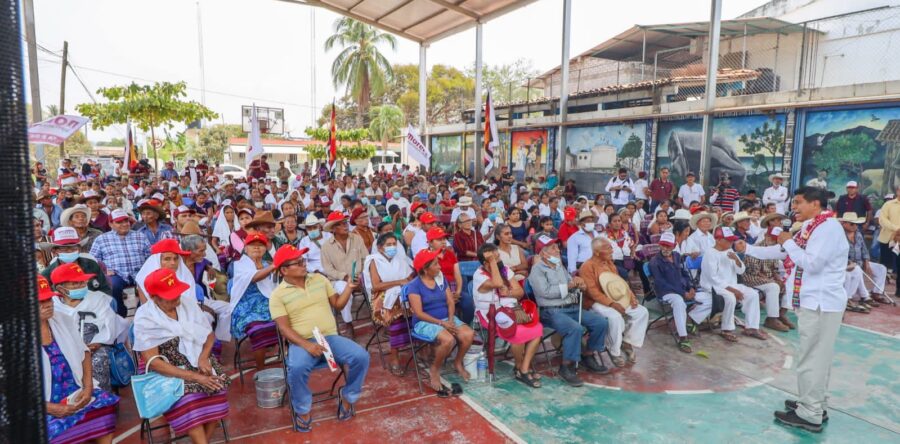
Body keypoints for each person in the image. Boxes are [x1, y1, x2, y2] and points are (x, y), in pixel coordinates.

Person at [735, 186, 848, 431]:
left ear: (815, 204)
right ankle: (814, 403)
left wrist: (788, 242)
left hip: (821, 303)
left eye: (797, 202)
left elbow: (812, 264)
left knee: (813, 358)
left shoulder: (828, 229)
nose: (793, 207)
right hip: (815, 302)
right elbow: (781, 250)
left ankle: (810, 413)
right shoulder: (812, 226)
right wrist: (749, 249)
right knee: (816, 358)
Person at [269, 245, 368, 431]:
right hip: (302, 342)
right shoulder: (277, 295)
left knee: (361, 356)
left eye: (303, 261)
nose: (303, 264)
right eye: (297, 263)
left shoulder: (319, 279)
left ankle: (348, 396)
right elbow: (283, 328)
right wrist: (307, 345)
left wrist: (349, 287)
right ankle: (303, 409)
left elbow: (338, 305)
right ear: (284, 270)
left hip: (329, 337)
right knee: (296, 368)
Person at [133, 268, 230, 443]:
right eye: (171, 295)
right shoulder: (145, 317)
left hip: (196, 358)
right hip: (167, 369)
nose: (177, 297)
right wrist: (195, 377)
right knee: (189, 400)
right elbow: (153, 362)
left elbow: (209, 335)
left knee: (217, 387)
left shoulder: (187, 303)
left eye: (177, 292)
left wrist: (203, 358)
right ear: (154, 298)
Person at [38, 275, 120, 444]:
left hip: (73, 389)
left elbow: (85, 353)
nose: (48, 305)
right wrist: (51, 408)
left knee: (104, 407)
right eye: (40, 302)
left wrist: (88, 388)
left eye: (49, 299)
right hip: (40, 401)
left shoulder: (62, 319)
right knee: (53, 430)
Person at [528, 237, 609, 386]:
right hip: (550, 311)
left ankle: (588, 354)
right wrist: (569, 286)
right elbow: (544, 292)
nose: (558, 250)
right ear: (543, 253)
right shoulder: (537, 270)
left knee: (601, 322)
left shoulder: (559, 266)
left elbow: (571, 287)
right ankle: (566, 366)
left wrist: (579, 286)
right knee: (574, 328)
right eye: (553, 248)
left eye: (557, 247)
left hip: (569, 306)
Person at [49, 263, 128, 393]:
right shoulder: (53, 305)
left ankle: (102, 400)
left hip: (97, 346)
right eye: (75, 284)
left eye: (83, 282)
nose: (81, 285)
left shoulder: (97, 299)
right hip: (66, 349)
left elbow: (111, 324)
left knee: (98, 359)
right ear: (61, 289)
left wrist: (97, 342)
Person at [473, 244, 543, 388]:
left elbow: (520, 292)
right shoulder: (479, 275)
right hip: (490, 314)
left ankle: (521, 367)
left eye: (497, 256)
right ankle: (522, 369)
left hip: (511, 310)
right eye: (494, 258)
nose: (498, 259)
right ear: (486, 262)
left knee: (537, 329)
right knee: (517, 333)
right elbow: (497, 283)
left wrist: (509, 293)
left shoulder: (505, 270)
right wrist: (493, 263)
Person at [406, 249, 476, 393]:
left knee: (468, 334)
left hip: (446, 319)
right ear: (425, 269)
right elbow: (419, 313)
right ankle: (434, 369)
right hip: (424, 322)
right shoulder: (414, 285)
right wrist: (442, 324)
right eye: (436, 264)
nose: (440, 267)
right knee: (448, 339)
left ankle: (457, 362)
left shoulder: (440, 278)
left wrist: (450, 320)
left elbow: (450, 301)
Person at [580, 237, 649, 366]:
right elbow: (592, 292)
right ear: (596, 252)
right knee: (615, 317)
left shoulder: (609, 264)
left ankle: (627, 342)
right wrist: (612, 304)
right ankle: (614, 351)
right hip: (596, 302)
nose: (612, 250)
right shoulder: (587, 267)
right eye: (608, 248)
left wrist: (631, 297)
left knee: (641, 311)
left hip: (616, 298)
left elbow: (621, 284)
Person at [701, 226, 767, 341]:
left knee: (752, 294)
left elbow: (740, 271)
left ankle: (751, 327)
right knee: (730, 297)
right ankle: (726, 329)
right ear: (718, 240)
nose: (731, 242)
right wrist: (733, 290)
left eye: (732, 239)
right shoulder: (710, 253)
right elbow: (713, 278)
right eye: (728, 240)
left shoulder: (730, 251)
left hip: (731, 284)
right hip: (714, 286)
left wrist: (737, 261)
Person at [649, 232, 711, 353]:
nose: (665, 248)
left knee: (709, 297)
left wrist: (691, 288)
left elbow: (684, 274)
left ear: (674, 245)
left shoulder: (677, 256)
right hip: (667, 292)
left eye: (668, 246)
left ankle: (687, 320)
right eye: (663, 245)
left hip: (683, 289)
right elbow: (661, 283)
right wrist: (683, 293)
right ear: (659, 245)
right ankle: (683, 337)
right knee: (679, 302)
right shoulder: (654, 262)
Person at [365, 234, 415, 376]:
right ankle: (394, 357)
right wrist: (399, 282)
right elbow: (376, 286)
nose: (392, 247)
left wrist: (404, 283)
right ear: (380, 248)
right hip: (382, 297)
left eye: (394, 243)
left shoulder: (400, 260)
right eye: (388, 244)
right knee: (397, 313)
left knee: (417, 306)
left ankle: (422, 348)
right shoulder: (374, 261)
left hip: (401, 293)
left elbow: (409, 278)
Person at [229, 233, 278, 371]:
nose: (257, 247)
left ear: (265, 248)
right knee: (258, 329)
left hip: (268, 304)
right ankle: (261, 370)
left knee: (289, 321)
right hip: (245, 308)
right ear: (246, 248)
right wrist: (274, 266)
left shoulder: (267, 264)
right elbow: (254, 278)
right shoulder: (239, 265)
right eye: (252, 245)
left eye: (261, 245)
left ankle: (289, 362)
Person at [90, 209, 151, 316]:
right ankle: (120, 314)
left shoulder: (139, 236)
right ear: (111, 224)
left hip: (139, 272)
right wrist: (105, 270)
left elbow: (149, 256)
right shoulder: (102, 239)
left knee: (149, 283)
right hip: (116, 273)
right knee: (113, 285)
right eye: (119, 222)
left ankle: (142, 313)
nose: (124, 224)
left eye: (126, 221)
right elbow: (93, 260)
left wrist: (147, 270)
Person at [321, 211, 369, 336]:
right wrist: (345, 277)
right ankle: (348, 323)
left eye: (345, 223)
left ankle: (382, 318)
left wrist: (362, 276)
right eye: (341, 224)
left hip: (360, 277)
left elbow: (366, 259)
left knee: (375, 284)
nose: (345, 226)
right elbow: (328, 269)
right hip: (339, 280)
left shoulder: (357, 239)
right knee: (343, 290)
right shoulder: (326, 247)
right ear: (333, 229)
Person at [738, 225, 790, 332]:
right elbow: (754, 272)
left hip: (766, 277)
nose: (774, 240)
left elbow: (774, 269)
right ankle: (771, 319)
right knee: (773, 287)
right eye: (772, 238)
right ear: (766, 236)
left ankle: (781, 314)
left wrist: (779, 279)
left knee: (787, 284)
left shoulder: (779, 248)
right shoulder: (758, 247)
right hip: (751, 277)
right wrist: (773, 280)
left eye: (777, 238)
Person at [840, 212, 890, 310]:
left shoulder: (858, 234)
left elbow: (864, 249)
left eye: (856, 224)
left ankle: (876, 293)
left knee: (881, 268)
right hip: (847, 264)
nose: (855, 226)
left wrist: (866, 261)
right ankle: (864, 296)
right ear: (844, 223)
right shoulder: (840, 235)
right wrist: (850, 263)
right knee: (857, 269)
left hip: (861, 262)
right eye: (852, 224)